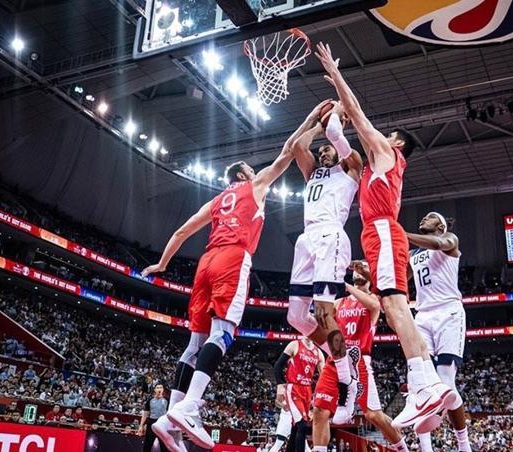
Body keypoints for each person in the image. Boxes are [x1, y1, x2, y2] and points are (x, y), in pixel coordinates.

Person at [142, 100, 328, 451]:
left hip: (204, 262)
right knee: (223, 334)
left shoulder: (215, 202)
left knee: (194, 345)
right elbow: (289, 150)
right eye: (249, 168)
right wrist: (314, 119)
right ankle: (190, 409)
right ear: (243, 176)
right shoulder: (254, 186)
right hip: (232, 258)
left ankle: (170, 421)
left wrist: (163, 265)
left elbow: (181, 233)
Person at [314, 42, 456, 432]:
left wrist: (336, 74)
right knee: (395, 309)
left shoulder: (386, 152)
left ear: (396, 142)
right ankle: (425, 384)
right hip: (377, 232)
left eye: (388, 134)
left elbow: (357, 114)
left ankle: (425, 385)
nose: (382, 134)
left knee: (394, 307)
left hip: (382, 230)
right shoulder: (380, 164)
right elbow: (344, 129)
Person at [287, 100, 363, 423]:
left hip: (332, 235)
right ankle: (337, 357)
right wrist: (314, 122)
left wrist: (336, 119)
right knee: (296, 316)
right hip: (306, 240)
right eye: (322, 151)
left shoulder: (352, 167)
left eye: (328, 150)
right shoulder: (312, 173)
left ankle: (348, 379)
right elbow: (294, 146)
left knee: (322, 310)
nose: (323, 152)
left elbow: (336, 136)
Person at [311, 263, 408, 452]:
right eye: (355, 268)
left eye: (362, 267)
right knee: (319, 410)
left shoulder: (374, 299)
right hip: (335, 360)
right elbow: (322, 317)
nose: (357, 271)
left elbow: (373, 306)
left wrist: (345, 285)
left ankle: (403, 448)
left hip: (359, 360)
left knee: (373, 415)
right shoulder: (340, 303)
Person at [406, 212, 470, 452]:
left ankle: (464, 444)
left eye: (430, 217)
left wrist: (403, 235)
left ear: (440, 225)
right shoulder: (414, 255)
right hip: (422, 316)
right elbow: (399, 278)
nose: (423, 218)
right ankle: (426, 447)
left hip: (448, 313)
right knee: (421, 381)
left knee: (446, 383)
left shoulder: (449, 239)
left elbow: (438, 243)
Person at [271, 338, 324, 452]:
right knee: (302, 425)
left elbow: (324, 377)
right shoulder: (295, 345)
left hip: (307, 390)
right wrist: (280, 385)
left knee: (296, 428)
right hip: (293, 387)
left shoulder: (318, 352)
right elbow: (278, 366)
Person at [138, 383, 170, 452]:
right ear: (155, 390)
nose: (159, 389)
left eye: (160, 387)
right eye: (157, 388)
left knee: (164, 445)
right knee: (147, 445)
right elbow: (145, 414)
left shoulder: (167, 400)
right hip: (151, 423)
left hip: (162, 424)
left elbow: (169, 414)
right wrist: (141, 426)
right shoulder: (150, 400)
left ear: (163, 390)